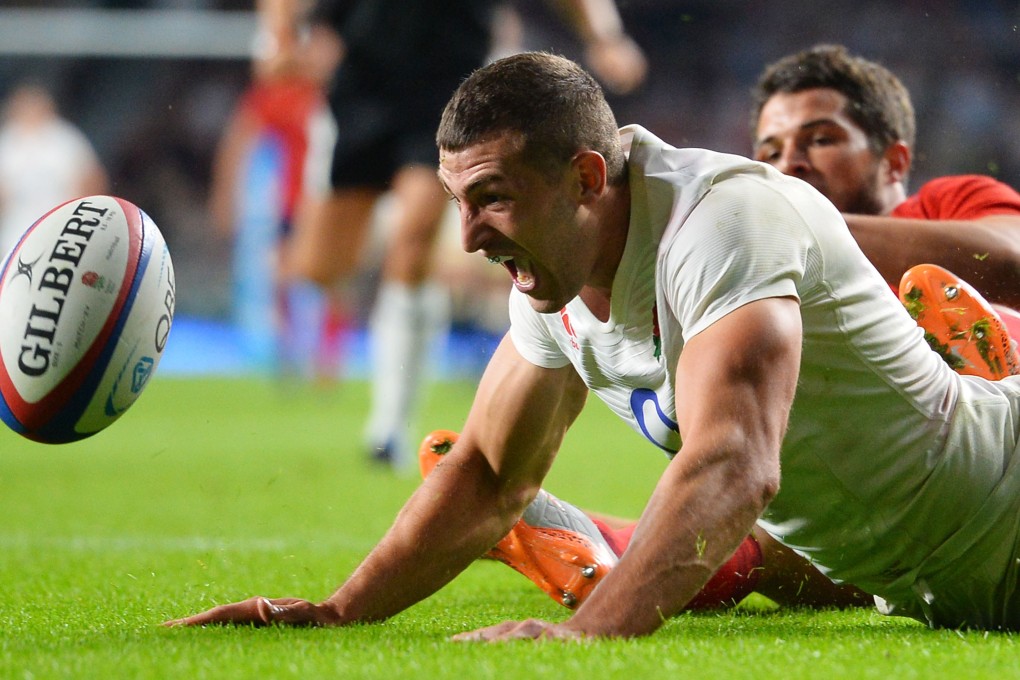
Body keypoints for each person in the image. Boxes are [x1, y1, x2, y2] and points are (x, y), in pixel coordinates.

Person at [166, 52, 1020, 636]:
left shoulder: (722, 221)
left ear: (586, 178)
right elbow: (492, 473)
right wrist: (340, 611)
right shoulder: (550, 279)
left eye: (493, 198)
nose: (466, 238)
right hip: (926, 577)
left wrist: (588, 639)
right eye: (458, 201)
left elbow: (735, 465)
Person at [273, 0, 647, 470]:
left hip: (450, 87)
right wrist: (281, 38)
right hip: (360, 82)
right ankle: (406, 261)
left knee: (413, 243)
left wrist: (605, 37)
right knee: (320, 268)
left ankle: (388, 428)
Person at [750, 44, 1020, 317]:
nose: (787, 163)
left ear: (894, 162)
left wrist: (809, 229)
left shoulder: (948, 202)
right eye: (772, 153)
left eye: (821, 139)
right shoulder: (763, 270)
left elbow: (1012, 260)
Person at [0, 83, 108, 258]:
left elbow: (93, 178)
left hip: (62, 230)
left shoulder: (65, 138)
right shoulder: (7, 141)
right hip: (16, 233)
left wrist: (82, 216)